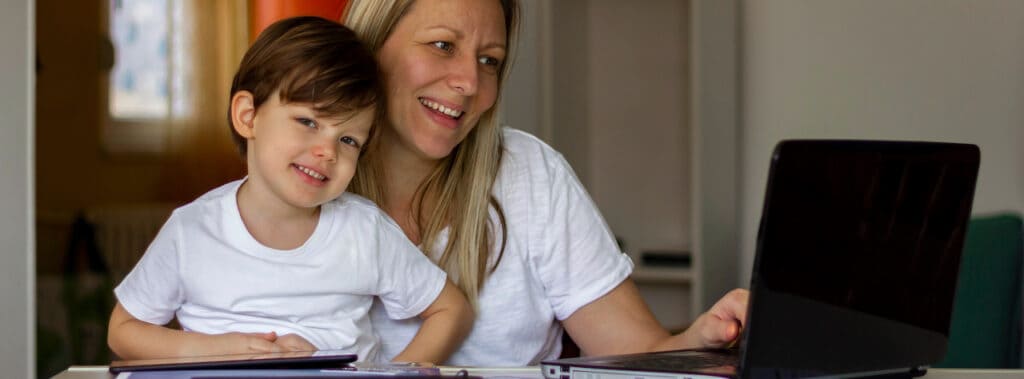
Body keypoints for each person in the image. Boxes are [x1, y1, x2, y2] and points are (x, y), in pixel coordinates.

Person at [338, 0, 750, 366]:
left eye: (490, 61)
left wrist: (702, 340)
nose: (470, 82)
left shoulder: (530, 171)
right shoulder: (295, 183)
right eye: (443, 45)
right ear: (371, 44)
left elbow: (639, 357)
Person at [106, 16, 473, 364]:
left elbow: (450, 310)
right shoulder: (191, 231)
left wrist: (396, 373)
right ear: (248, 116)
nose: (327, 152)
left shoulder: (364, 231)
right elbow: (122, 331)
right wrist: (212, 349)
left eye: (348, 139)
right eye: (308, 121)